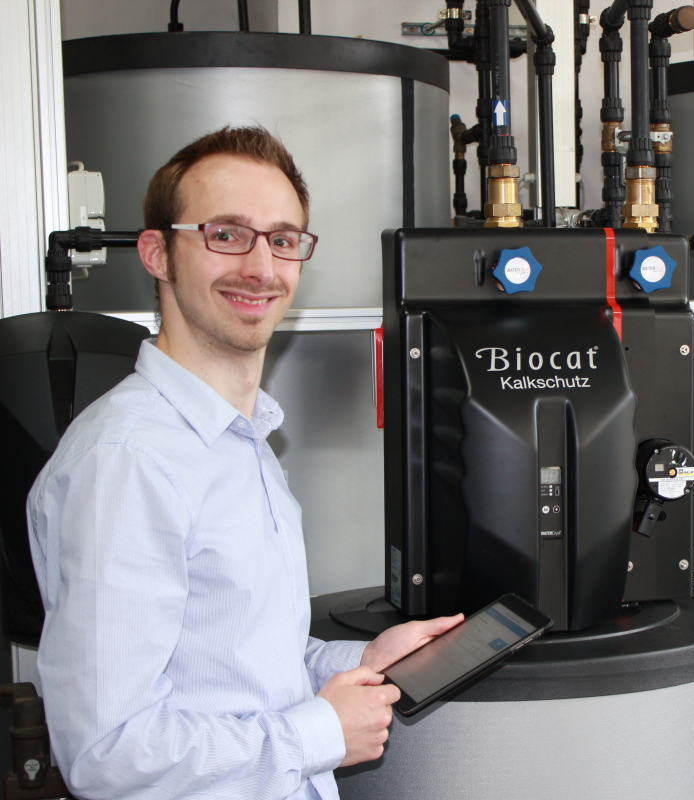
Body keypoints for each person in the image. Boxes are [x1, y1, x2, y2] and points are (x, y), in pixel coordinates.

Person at [26, 126, 461, 800]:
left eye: (283, 240)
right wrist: (318, 733)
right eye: (226, 234)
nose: (260, 268)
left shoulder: (239, 439)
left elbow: (237, 665)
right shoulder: (130, 463)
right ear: (158, 254)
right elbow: (107, 753)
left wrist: (360, 660)